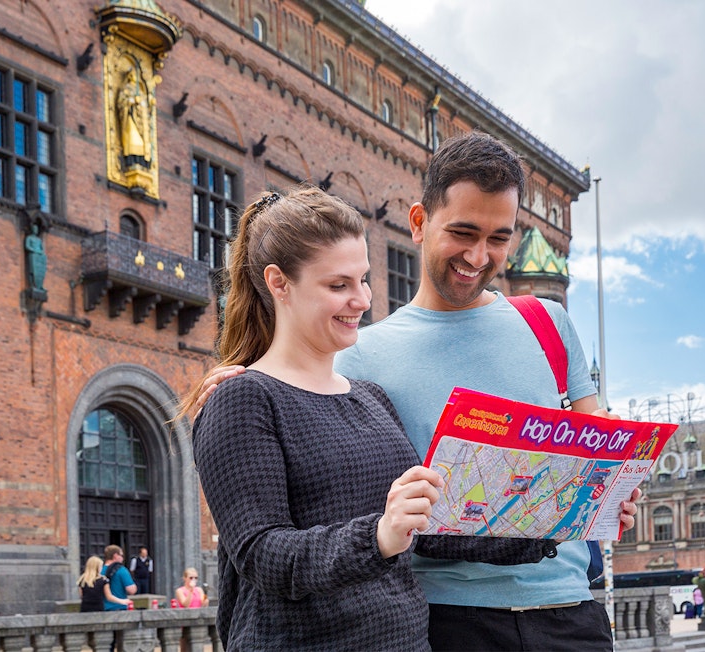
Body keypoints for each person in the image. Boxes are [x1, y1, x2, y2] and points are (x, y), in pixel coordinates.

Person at [191, 133, 639, 652]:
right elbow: (264, 551)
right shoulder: (316, 372)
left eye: (362, 281)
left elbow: (434, 523)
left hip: (551, 615)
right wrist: (380, 534)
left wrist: (577, 510)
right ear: (419, 222)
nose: (360, 299)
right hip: (442, 624)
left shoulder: (365, 393)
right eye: (339, 285)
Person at [101, 545, 137, 611]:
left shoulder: (99, 570)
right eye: (121, 555)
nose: (122, 558)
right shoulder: (121, 570)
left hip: (102, 608)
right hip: (119, 607)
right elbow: (131, 590)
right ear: (115, 555)